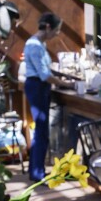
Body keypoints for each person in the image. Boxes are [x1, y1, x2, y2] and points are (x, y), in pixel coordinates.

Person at [23, 12, 73, 181]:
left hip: (38, 86)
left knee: (41, 130)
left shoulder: (37, 43)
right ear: (48, 27)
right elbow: (44, 75)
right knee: (41, 131)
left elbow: (46, 71)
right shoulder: (35, 46)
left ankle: (35, 171)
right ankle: (38, 173)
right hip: (37, 86)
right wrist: (66, 84)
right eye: (56, 30)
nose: (57, 34)